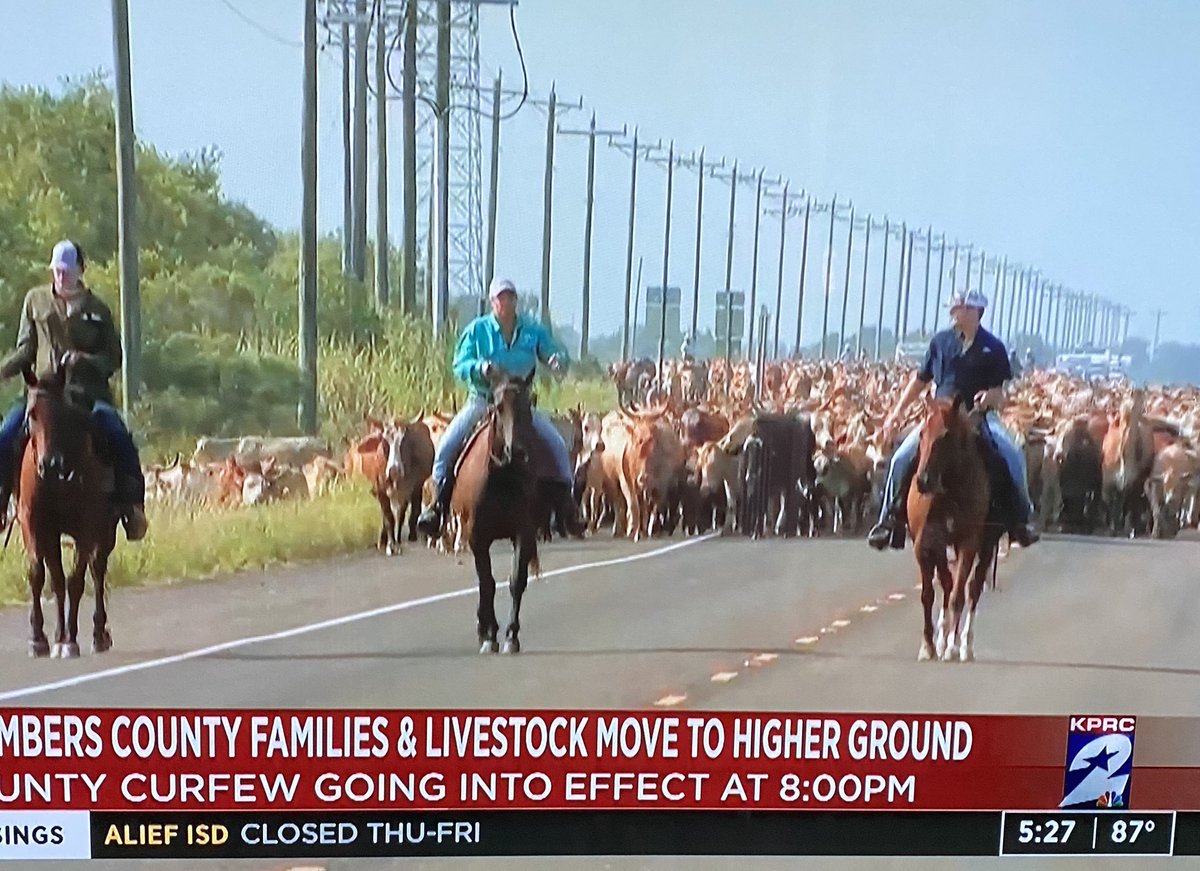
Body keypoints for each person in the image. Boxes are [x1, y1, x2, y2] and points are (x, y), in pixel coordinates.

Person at [866, 288, 1039, 551]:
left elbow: (1001, 392)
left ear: (974, 312)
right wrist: (895, 414)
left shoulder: (993, 348)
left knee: (1012, 453)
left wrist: (990, 396)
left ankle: (1022, 518)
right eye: (954, 308)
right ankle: (888, 520)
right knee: (902, 457)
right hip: (940, 416)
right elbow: (920, 380)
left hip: (977, 416)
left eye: (959, 308)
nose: (953, 313)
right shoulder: (941, 343)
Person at [0, 241, 148, 540]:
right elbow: (25, 349)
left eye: (67, 271)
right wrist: (3, 370)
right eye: (56, 271)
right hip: (42, 393)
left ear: (81, 270)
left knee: (118, 433)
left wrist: (85, 360)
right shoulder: (35, 301)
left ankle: (132, 506)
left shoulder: (98, 310)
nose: (61, 277)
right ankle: (1, 503)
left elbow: (113, 359)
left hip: (87, 395)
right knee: (6, 432)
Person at [417, 278, 584, 539]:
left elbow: (556, 351)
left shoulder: (532, 331)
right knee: (446, 447)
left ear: (516, 301)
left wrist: (556, 360)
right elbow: (460, 364)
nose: (505, 303)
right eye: (500, 298)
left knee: (557, 446)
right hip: (483, 401)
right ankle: (436, 507)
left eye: (510, 298)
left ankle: (569, 508)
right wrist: (480, 367)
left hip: (520, 405)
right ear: (492, 302)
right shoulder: (477, 331)